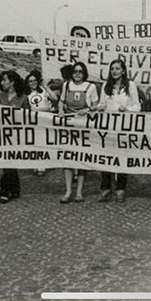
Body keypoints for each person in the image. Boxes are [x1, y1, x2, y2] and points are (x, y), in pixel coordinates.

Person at [96, 60, 141, 203]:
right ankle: (105, 188)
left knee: (121, 156)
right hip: (108, 126)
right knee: (106, 156)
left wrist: (127, 109)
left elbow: (137, 106)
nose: (114, 71)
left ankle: (121, 189)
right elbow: (101, 103)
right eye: (112, 69)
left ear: (123, 71)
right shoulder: (106, 86)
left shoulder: (131, 86)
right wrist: (100, 106)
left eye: (117, 68)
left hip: (124, 127)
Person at [58, 61, 98, 203]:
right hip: (68, 125)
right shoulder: (66, 85)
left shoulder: (91, 87)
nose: (77, 74)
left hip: (83, 124)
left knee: (81, 157)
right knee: (67, 157)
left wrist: (87, 110)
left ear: (84, 73)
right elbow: (61, 101)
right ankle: (68, 190)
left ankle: (79, 191)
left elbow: (95, 105)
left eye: (80, 71)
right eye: (75, 71)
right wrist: (61, 110)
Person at [0, 71, 30, 204]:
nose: (1, 83)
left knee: (11, 163)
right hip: (2, 134)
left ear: (12, 82)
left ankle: (8, 190)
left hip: (16, 135)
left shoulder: (23, 98)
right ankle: (10, 189)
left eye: (4, 80)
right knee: (6, 163)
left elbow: (28, 118)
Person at [26, 69, 57, 177]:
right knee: (35, 143)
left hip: (45, 118)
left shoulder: (43, 91)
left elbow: (55, 98)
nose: (33, 83)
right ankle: (35, 165)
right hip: (33, 119)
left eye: (34, 80)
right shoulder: (27, 94)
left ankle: (42, 167)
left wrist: (46, 87)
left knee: (44, 143)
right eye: (30, 81)